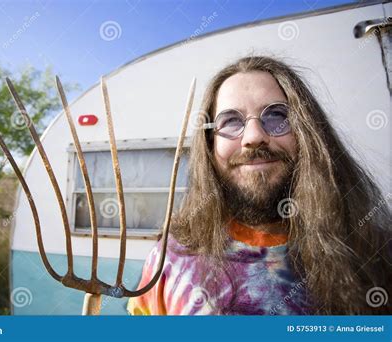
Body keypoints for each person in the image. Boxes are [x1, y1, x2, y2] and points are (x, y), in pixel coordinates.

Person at [127, 55, 391, 315]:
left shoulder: (374, 251)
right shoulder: (169, 260)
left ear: (307, 132)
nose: (254, 137)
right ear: (209, 144)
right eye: (230, 121)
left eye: (277, 115)